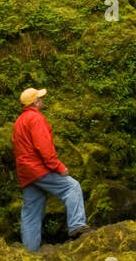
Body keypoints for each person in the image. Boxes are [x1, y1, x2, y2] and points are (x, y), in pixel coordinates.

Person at [12, 87, 91, 251]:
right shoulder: (36, 119)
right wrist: (58, 166)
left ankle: (29, 253)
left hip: (26, 172)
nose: (42, 100)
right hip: (38, 168)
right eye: (40, 98)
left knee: (31, 212)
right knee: (72, 186)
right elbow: (43, 147)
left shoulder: (20, 121)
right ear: (35, 102)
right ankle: (77, 226)